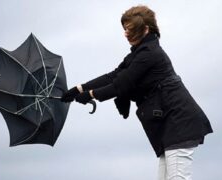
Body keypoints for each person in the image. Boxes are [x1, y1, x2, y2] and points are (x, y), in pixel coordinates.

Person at [61, 5, 213, 180]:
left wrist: (90, 95)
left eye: (130, 29)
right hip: (170, 126)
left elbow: (121, 85)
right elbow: (114, 76)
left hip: (179, 123)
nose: (125, 34)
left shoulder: (149, 54)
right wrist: (79, 89)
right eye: (125, 29)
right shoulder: (138, 53)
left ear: (146, 29)